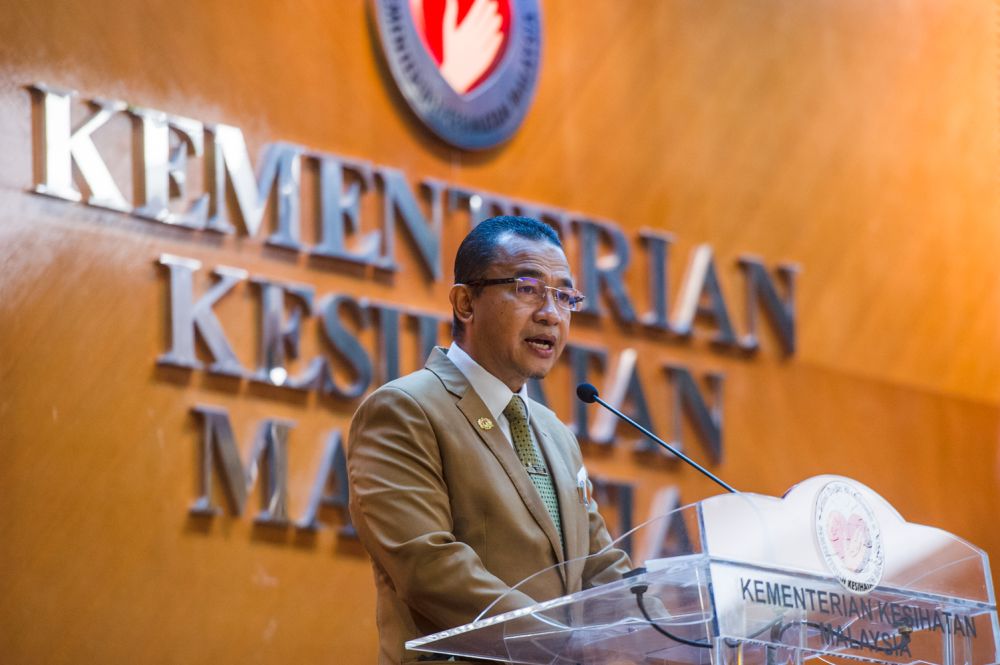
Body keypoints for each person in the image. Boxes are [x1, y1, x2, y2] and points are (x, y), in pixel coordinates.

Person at [347, 216, 631, 665]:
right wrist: (565, 644)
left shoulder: (556, 433)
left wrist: (671, 623)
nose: (550, 313)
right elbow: (430, 568)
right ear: (465, 302)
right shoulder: (404, 409)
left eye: (563, 296)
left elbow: (599, 568)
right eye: (527, 289)